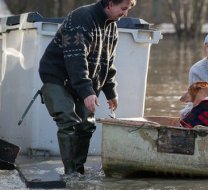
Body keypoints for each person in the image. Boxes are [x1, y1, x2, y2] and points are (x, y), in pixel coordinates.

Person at [39, 0, 136, 175]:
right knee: (68, 120)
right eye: (123, 8)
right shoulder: (82, 18)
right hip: (57, 76)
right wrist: (87, 91)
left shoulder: (112, 27)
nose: (125, 14)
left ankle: (78, 170)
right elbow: (76, 59)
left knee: (86, 125)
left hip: (83, 81)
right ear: (110, 4)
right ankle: (70, 174)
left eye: (127, 9)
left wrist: (111, 92)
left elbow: (108, 62)